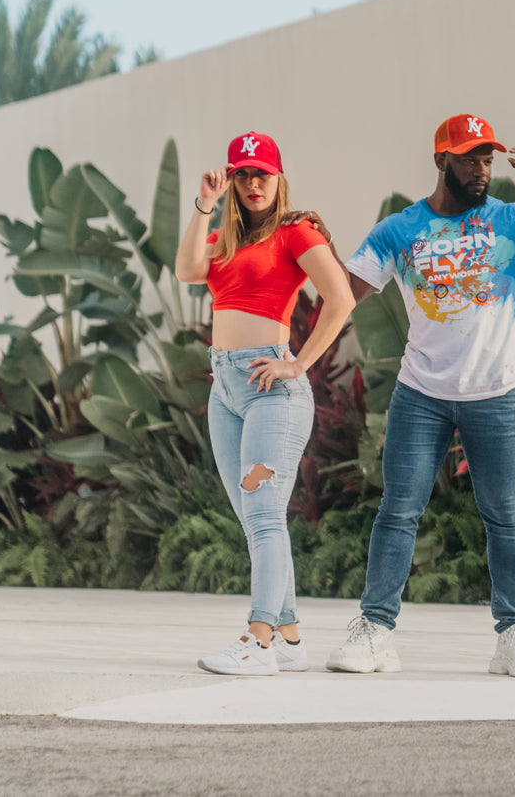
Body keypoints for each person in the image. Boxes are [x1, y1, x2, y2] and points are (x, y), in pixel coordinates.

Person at [320, 114, 515, 677]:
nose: (480, 169)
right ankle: (374, 631)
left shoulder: (514, 219)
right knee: (398, 512)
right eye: (469, 158)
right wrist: (314, 245)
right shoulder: (400, 230)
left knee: (505, 517)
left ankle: (513, 635)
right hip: (421, 393)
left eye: (486, 159)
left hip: (497, 394)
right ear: (440, 160)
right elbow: (342, 293)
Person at [176, 131, 354, 675]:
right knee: (256, 518)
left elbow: (341, 298)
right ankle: (290, 639)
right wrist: (204, 203)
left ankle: (257, 641)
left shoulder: (296, 231)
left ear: (279, 179)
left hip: (272, 389)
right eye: (244, 174)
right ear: (233, 180)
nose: (254, 184)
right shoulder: (224, 241)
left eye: (263, 174)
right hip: (226, 389)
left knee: (263, 516)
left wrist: (298, 364)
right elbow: (187, 271)